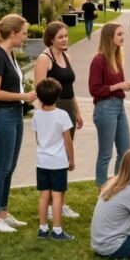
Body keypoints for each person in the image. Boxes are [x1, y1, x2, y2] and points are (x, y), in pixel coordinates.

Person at [0, 14, 37, 233]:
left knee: (10, 167)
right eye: (24, 33)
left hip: (14, 115)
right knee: (2, 166)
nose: (26, 37)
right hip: (2, 116)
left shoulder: (10, 54)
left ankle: (3, 213)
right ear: (13, 33)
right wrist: (23, 98)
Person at [34, 22, 82, 219]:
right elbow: (39, 90)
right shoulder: (45, 59)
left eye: (66, 36)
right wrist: (44, 116)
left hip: (67, 109)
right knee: (53, 155)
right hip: (52, 111)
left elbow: (70, 89)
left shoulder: (67, 57)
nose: (65, 39)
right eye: (60, 36)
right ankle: (53, 202)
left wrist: (77, 112)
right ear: (51, 39)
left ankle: (59, 202)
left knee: (63, 157)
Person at [88, 22, 130, 187]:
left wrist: (123, 87)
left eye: (123, 34)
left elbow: (115, 85)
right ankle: (102, 187)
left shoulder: (116, 57)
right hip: (105, 108)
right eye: (119, 34)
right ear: (109, 38)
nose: (123, 38)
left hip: (119, 106)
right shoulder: (99, 60)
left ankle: (117, 185)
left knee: (126, 151)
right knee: (105, 153)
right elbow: (94, 89)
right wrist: (119, 86)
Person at [33, 78, 75, 242]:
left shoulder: (37, 115)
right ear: (58, 96)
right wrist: (71, 159)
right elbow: (68, 141)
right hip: (58, 162)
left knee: (44, 195)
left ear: (39, 97)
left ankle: (42, 228)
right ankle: (57, 230)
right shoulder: (62, 115)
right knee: (58, 196)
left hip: (42, 162)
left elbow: (38, 138)